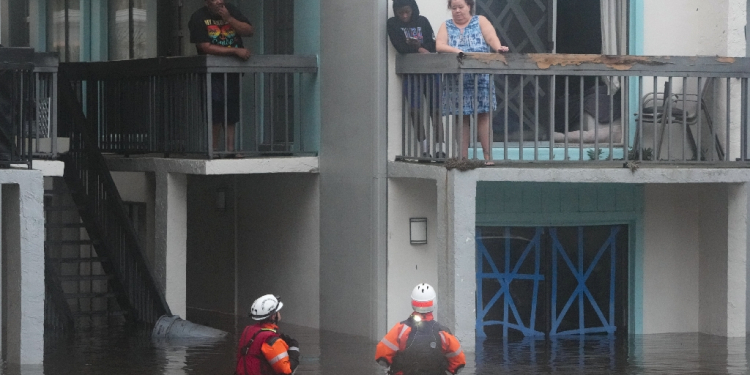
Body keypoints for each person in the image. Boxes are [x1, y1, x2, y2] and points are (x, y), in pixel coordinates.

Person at [436, 0, 509, 166]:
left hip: (480, 77)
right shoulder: (446, 25)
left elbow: (491, 38)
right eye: (453, 8)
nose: (457, 11)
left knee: (483, 115)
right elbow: (439, 45)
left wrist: (498, 48)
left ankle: (488, 157)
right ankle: (462, 158)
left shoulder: (480, 20)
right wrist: (457, 51)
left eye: (460, 7)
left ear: (469, 6)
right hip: (457, 80)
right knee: (461, 117)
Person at [188, 0, 254, 155]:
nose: (219, 2)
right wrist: (234, 51)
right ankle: (214, 149)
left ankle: (230, 149)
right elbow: (204, 47)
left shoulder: (230, 9)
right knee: (215, 109)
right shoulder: (198, 17)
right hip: (212, 71)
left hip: (232, 70)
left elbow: (249, 30)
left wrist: (229, 19)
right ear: (206, 2)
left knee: (231, 108)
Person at [387, 0, 445, 159]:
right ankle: (424, 150)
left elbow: (433, 45)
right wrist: (419, 47)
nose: (404, 16)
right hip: (411, 74)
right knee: (415, 110)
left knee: (436, 111)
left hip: (431, 72)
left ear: (413, 9)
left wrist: (418, 45)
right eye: (401, 13)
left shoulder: (422, 21)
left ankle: (441, 149)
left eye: (407, 12)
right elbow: (400, 47)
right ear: (396, 12)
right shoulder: (392, 24)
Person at [375, 283, 466, 375]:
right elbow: (459, 363)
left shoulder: (400, 329)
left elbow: (382, 357)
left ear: (413, 302)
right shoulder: (443, 333)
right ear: (433, 302)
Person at [235, 294, 300, 375]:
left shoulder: (248, 331)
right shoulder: (272, 340)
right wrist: (294, 349)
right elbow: (286, 370)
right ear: (273, 316)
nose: (279, 313)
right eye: (278, 311)